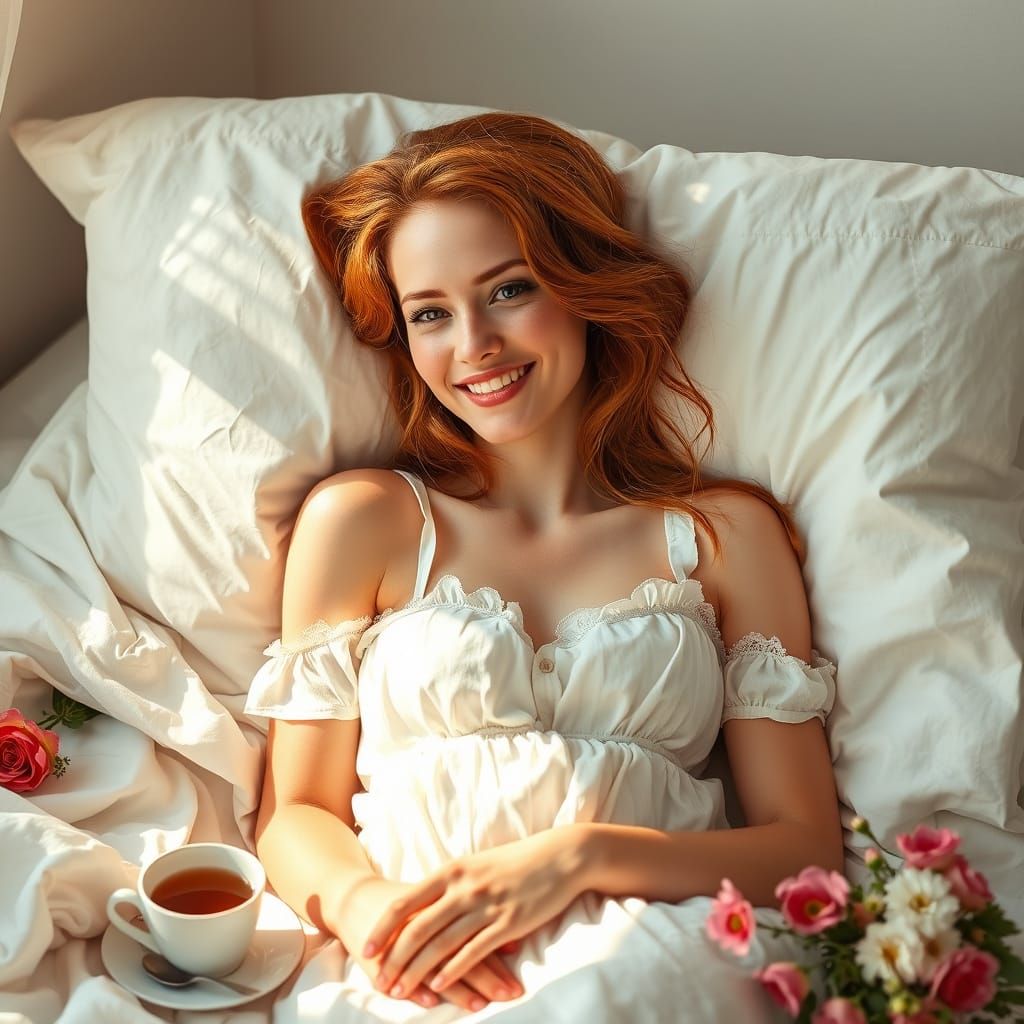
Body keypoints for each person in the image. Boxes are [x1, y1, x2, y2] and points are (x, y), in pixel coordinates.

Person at [244, 111, 843, 1021]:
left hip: (661, 954)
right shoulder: (362, 522)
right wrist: (372, 913)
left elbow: (805, 852)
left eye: (510, 289)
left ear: (584, 285)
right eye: (430, 314)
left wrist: (583, 856)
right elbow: (295, 814)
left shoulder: (722, 537)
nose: (473, 345)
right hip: (420, 964)